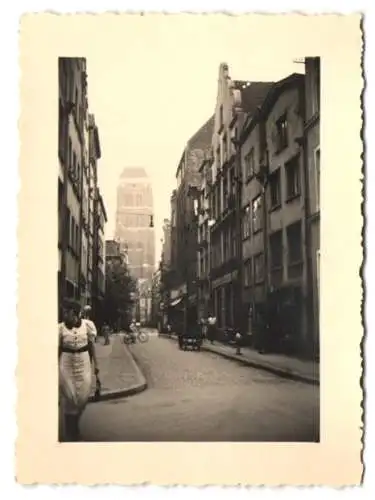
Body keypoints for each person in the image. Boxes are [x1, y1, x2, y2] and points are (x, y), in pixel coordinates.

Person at [59, 298, 99, 441]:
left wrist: (96, 365)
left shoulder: (87, 326)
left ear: (75, 314)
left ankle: (73, 425)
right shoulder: (60, 329)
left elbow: (91, 346)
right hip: (66, 362)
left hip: (83, 362)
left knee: (82, 396)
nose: (64, 316)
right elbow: (57, 349)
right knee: (69, 396)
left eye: (67, 312)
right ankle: (71, 430)